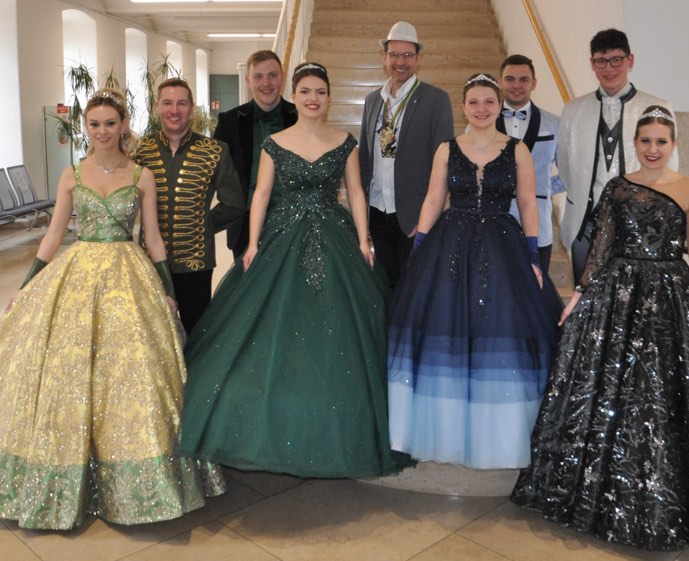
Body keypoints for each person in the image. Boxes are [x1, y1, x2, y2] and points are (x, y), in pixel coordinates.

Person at [511, 106, 689, 550]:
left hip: (672, 295)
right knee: (614, 394)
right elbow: (601, 248)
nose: (652, 149)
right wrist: (579, 295)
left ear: (673, 145)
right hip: (617, 295)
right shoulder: (617, 187)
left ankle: (673, 499)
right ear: (634, 144)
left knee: (667, 396)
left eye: (661, 142)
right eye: (645, 141)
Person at [0, 89, 227, 530]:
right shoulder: (71, 175)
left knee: (133, 369)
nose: (102, 132)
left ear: (124, 126)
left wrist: (167, 290)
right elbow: (52, 236)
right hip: (79, 269)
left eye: (110, 123)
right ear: (86, 127)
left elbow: (153, 238)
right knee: (68, 367)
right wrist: (26, 287)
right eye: (94, 124)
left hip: (128, 272)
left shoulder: (141, 175)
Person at [179, 63, 412, 478]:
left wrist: (364, 240)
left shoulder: (344, 142)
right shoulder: (275, 142)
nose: (312, 98)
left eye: (320, 91)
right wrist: (253, 244)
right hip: (281, 236)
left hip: (335, 235)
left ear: (329, 97)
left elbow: (356, 192)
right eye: (305, 91)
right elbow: (261, 194)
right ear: (296, 95)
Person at [387, 74, 563, 470]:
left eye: (488, 101)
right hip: (451, 243)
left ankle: (497, 434)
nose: (481, 108)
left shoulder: (517, 149)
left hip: (503, 244)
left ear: (498, 105)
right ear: (463, 107)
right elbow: (434, 198)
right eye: (473, 102)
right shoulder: (447, 148)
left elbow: (528, 204)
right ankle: (446, 428)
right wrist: (419, 248)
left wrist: (533, 257)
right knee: (446, 329)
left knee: (499, 329)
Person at [558, 28, 677, 284]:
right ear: (592, 64)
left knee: (632, 297)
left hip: (639, 223)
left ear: (629, 60)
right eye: (601, 61)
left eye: (616, 60)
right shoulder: (573, 110)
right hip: (585, 224)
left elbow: (670, 169)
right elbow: (565, 165)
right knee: (586, 298)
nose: (608, 68)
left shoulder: (657, 107)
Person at [135, 77, 244, 333]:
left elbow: (234, 203)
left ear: (192, 107)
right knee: (153, 332)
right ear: (157, 107)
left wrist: (203, 226)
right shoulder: (139, 151)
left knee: (197, 330)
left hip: (196, 262)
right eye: (167, 103)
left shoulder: (215, 150)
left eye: (181, 103)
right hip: (148, 262)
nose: (174, 110)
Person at [359, 21, 453, 289]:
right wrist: (363, 216)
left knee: (414, 288)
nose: (401, 62)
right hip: (378, 212)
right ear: (384, 57)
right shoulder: (373, 101)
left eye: (408, 55)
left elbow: (444, 162)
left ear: (418, 59)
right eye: (394, 54)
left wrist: (426, 216)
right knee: (384, 286)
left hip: (415, 215)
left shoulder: (436, 100)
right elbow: (365, 159)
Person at [213, 50, 298, 257]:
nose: (266, 83)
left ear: (282, 78)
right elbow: (216, 172)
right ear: (248, 81)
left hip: (294, 224)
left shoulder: (299, 116)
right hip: (244, 225)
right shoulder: (229, 121)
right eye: (258, 76)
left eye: (272, 75)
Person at [497, 54, 563, 273]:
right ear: (500, 82)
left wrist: (542, 189)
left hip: (538, 225)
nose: (517, 85)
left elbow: (569, 174)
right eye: (510, 79)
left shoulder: (554, 123)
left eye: (524, 79)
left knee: (535, 287)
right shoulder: (484, 122)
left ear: (533, 83)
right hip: (494, 223)